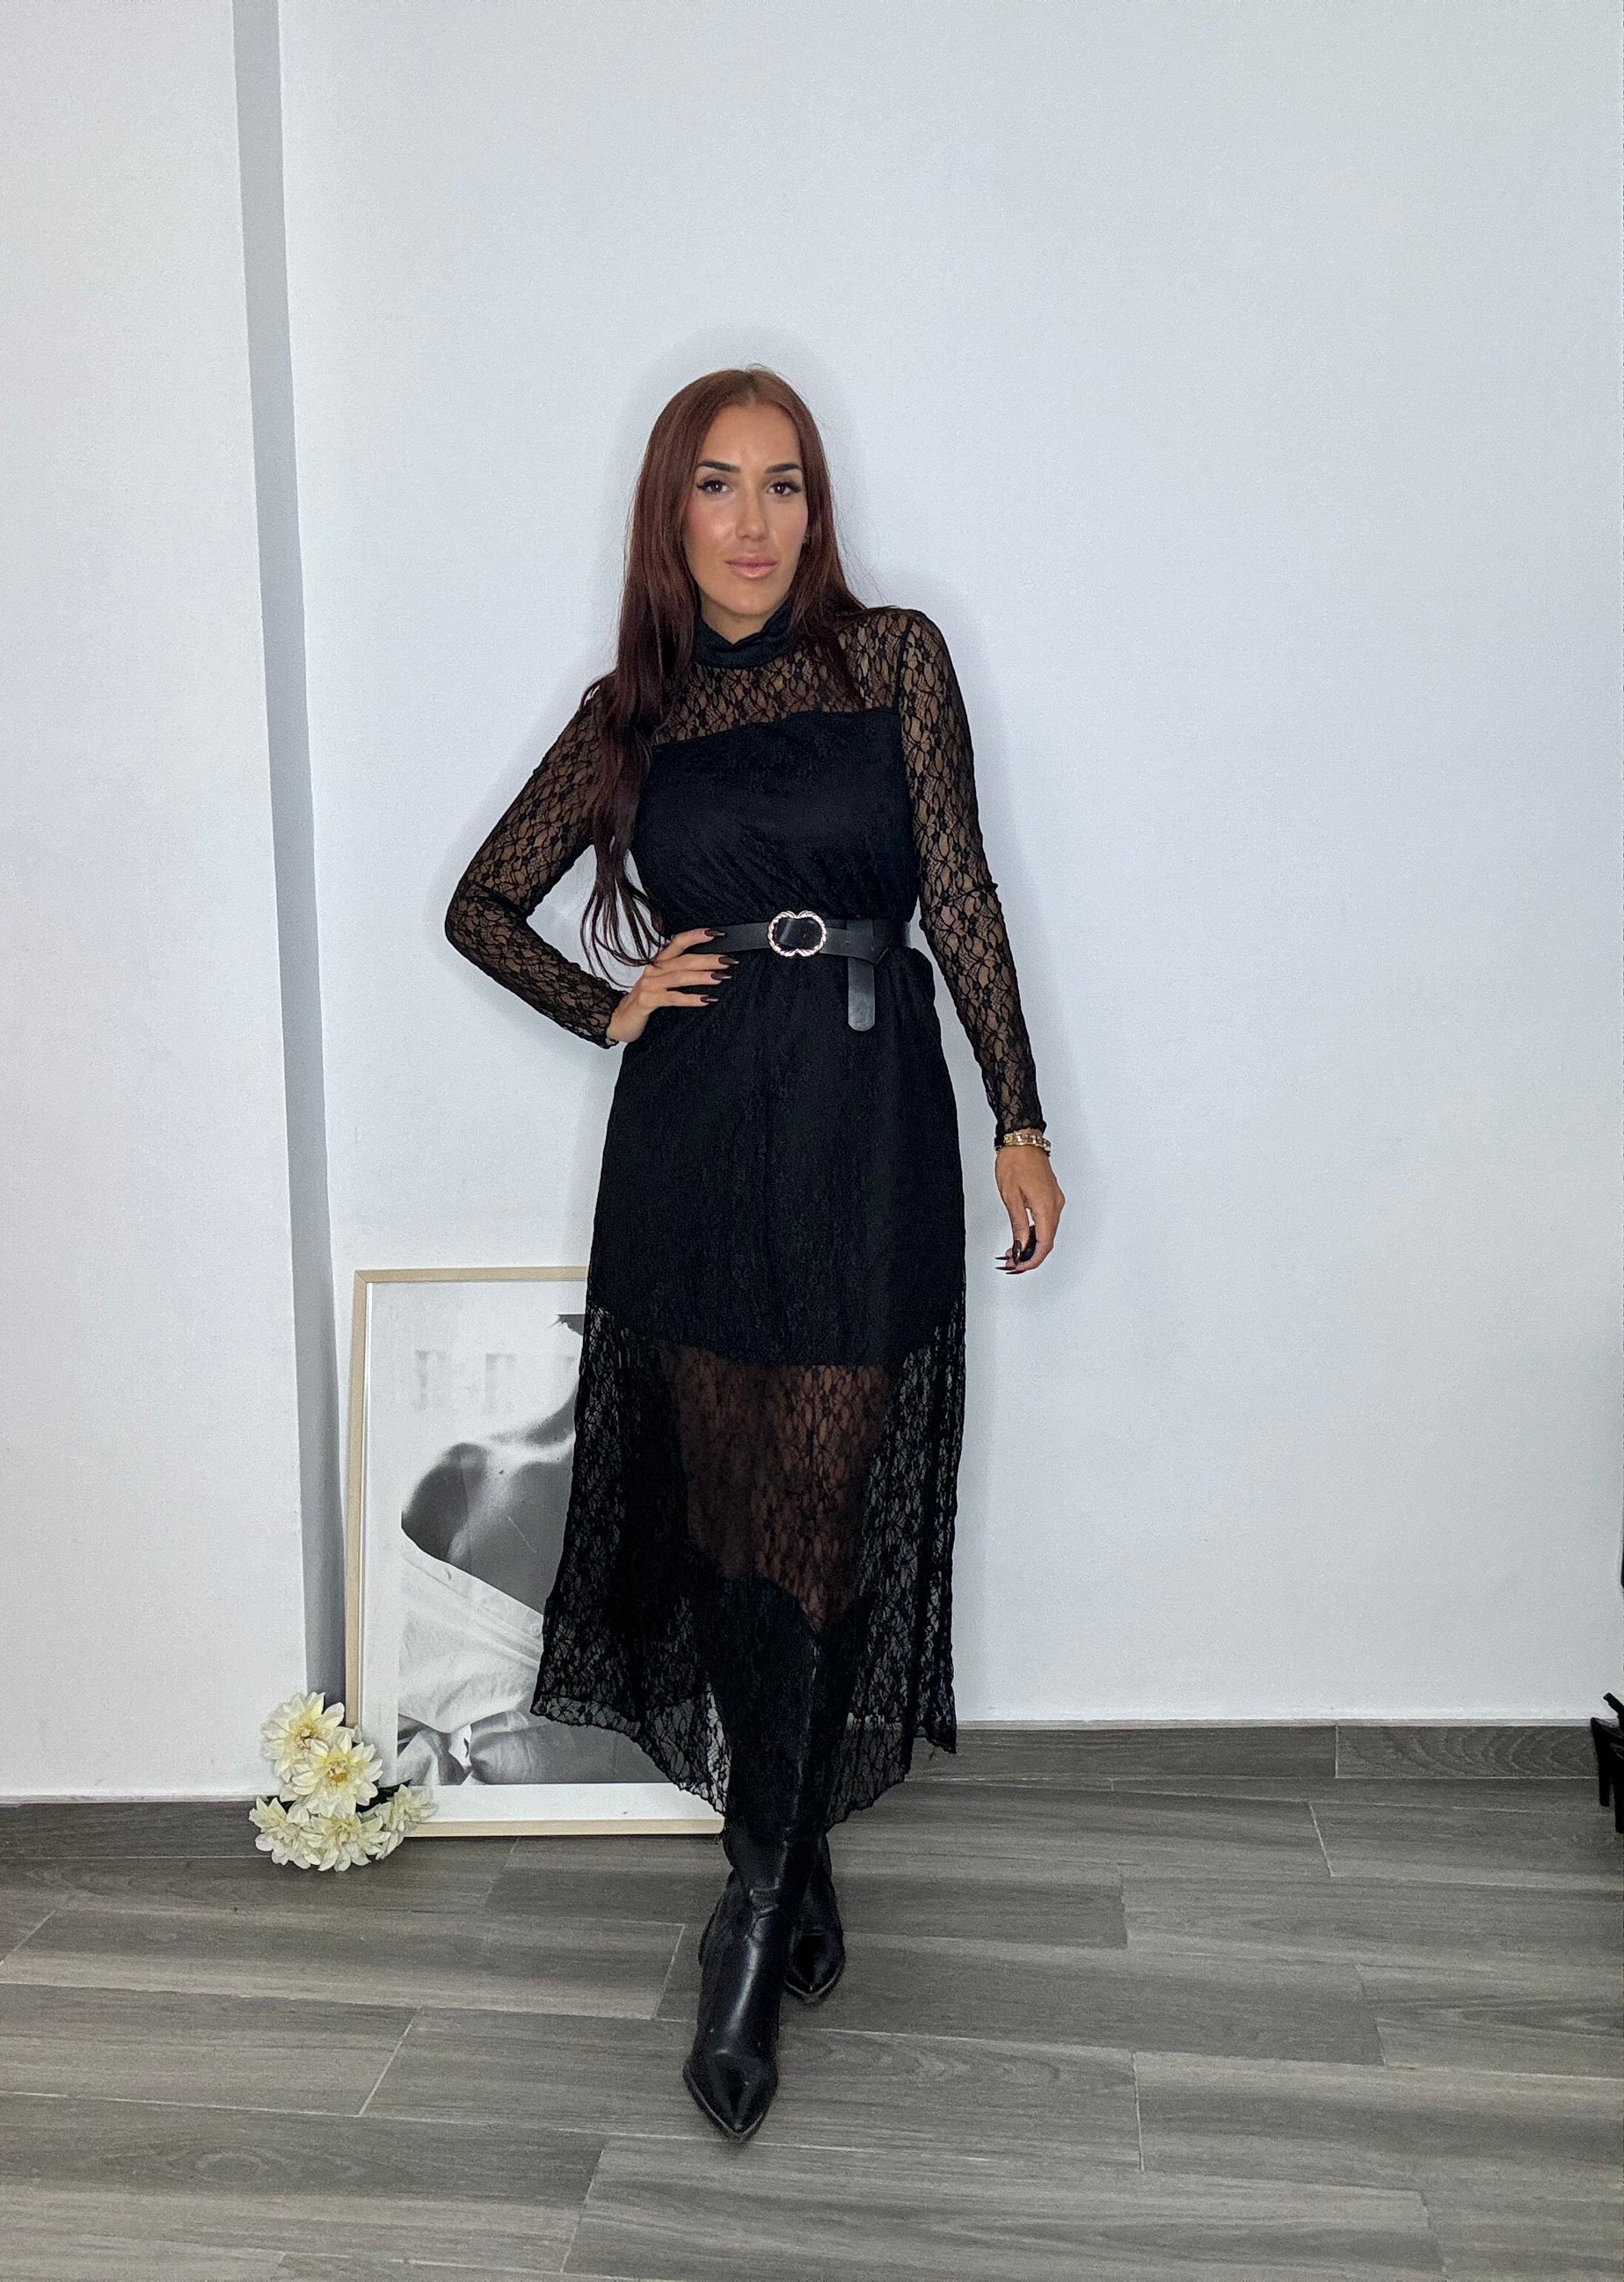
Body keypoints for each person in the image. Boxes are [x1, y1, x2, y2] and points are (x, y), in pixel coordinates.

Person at [443, 366, 1064, 2140]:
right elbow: (481, 903)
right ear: (672, 512)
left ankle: (749, 1901)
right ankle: (780, 1863)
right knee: (730, 1521)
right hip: (699, 1129)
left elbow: (961, 893)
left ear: (815, 507)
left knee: (822, 1505)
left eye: (782, 484)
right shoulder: (628, 715)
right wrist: (607, 1002)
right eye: (716, 485)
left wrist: (1018, 1118)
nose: (750, 520)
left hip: (866, 1115)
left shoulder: (893, 662)